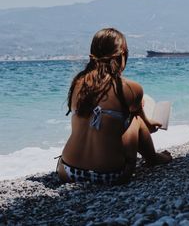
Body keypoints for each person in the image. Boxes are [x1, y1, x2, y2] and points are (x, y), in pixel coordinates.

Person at [57, 28, 172, 184]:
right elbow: (141, 121)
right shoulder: (130, 88)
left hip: (67, 171)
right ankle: (153, 158)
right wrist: (147, 121)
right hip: (110, 175)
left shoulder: (78, 83)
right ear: (123, 54)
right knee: (135, 118)